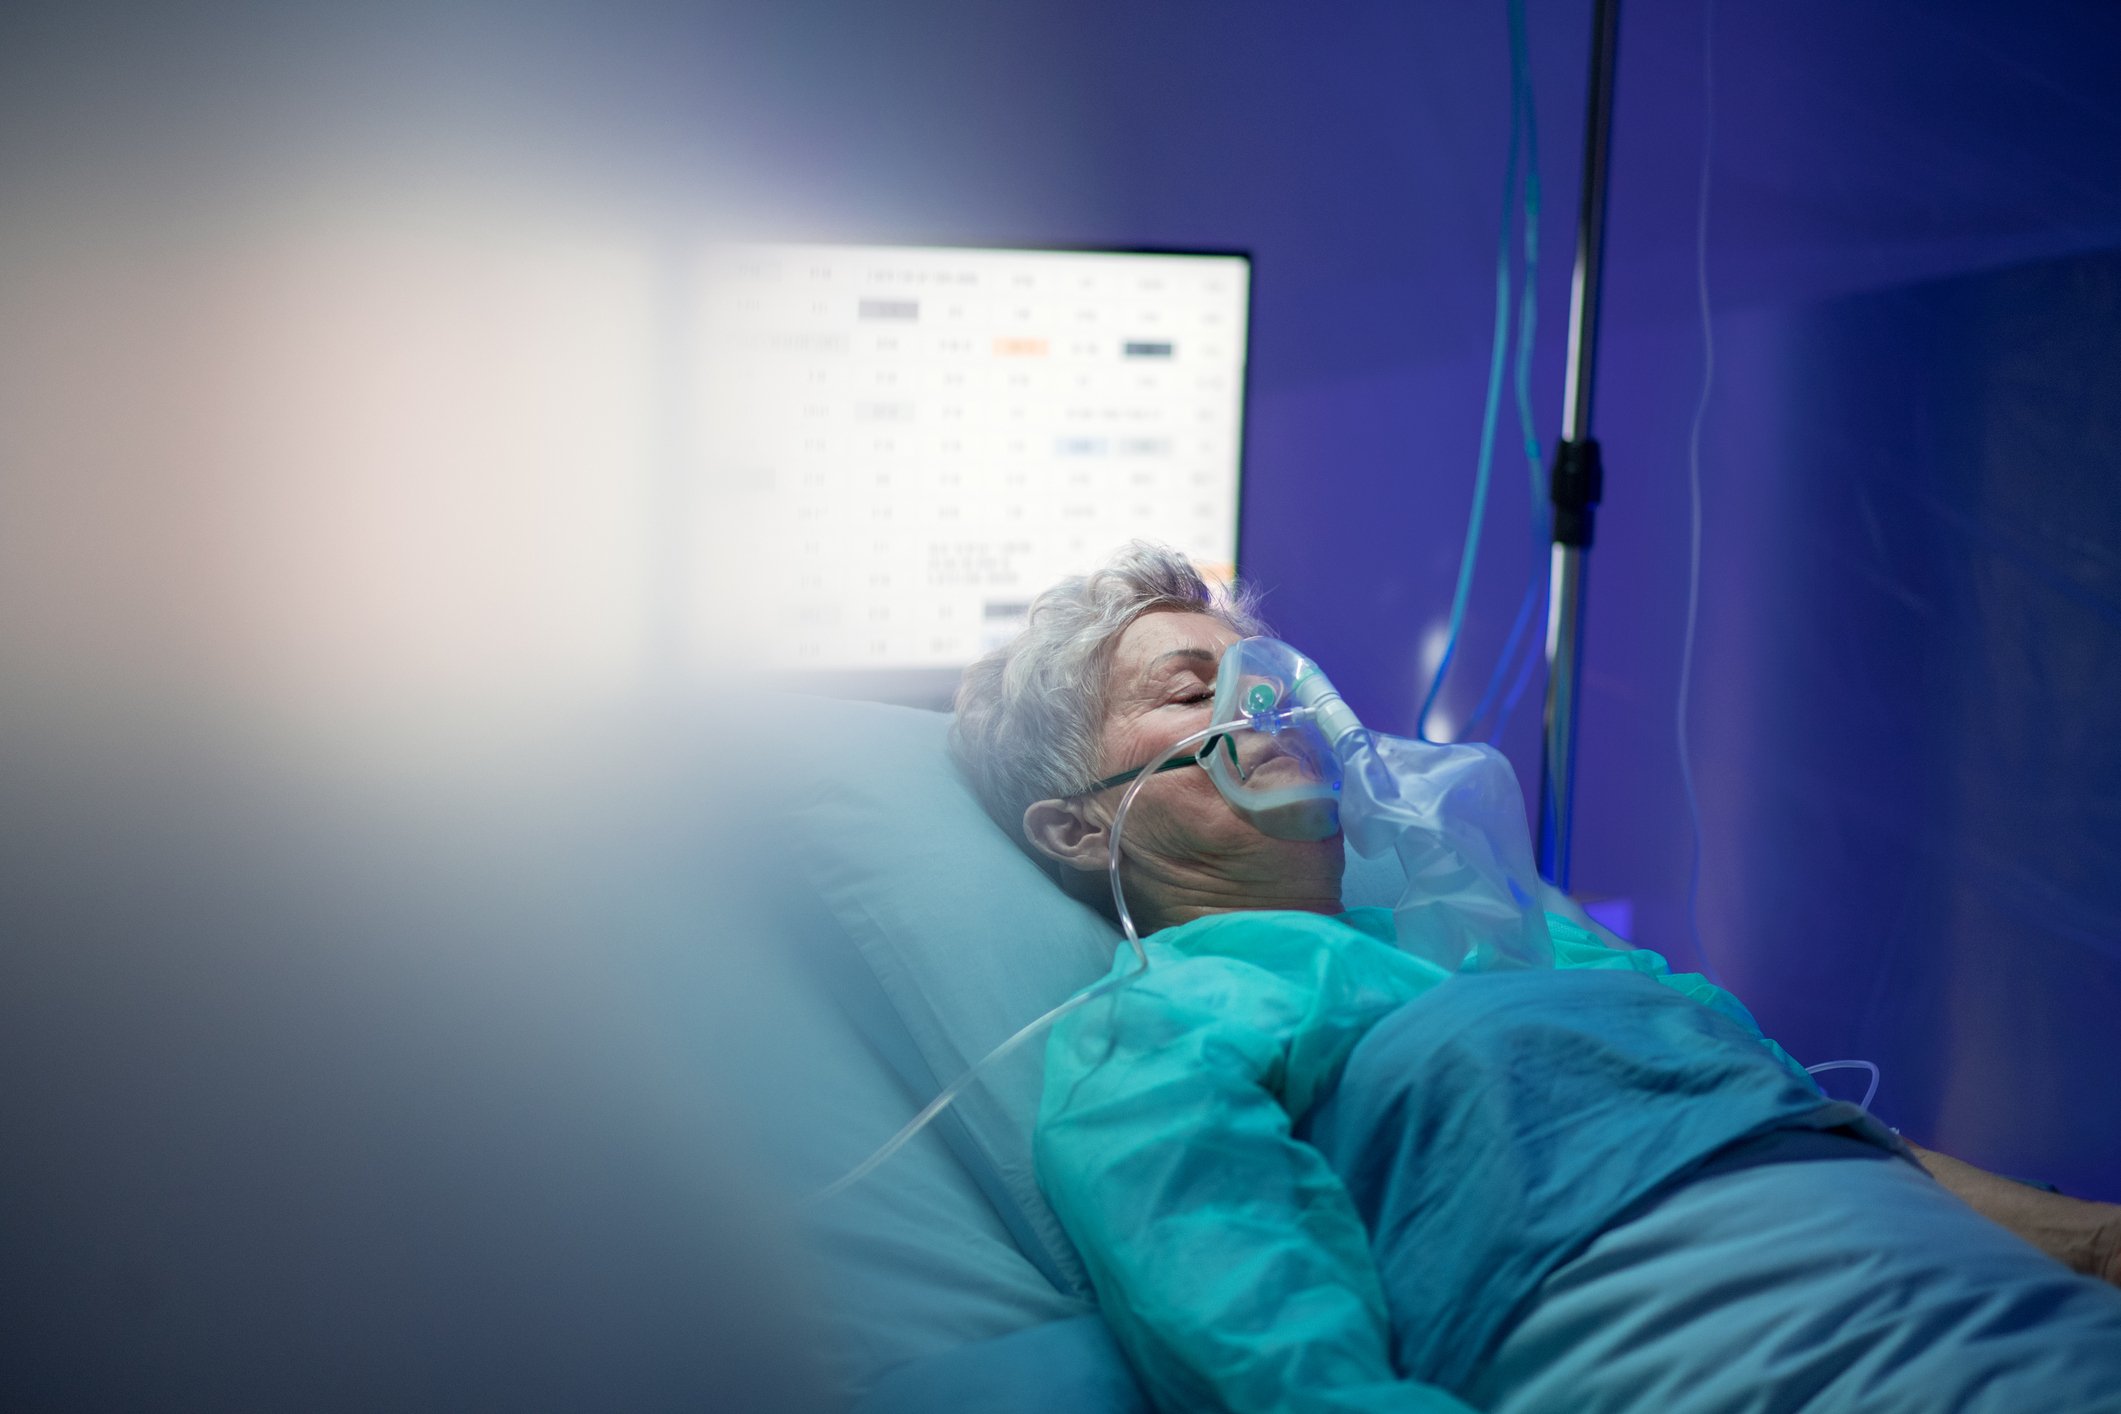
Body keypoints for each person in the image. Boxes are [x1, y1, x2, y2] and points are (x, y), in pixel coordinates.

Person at [949, 542, 2121, 1414]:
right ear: (1069, 829)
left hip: (1993, 1306)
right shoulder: (1162, 1023)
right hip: (1729, 1350)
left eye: (1265, 671)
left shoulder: (1527, 941)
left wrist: (2089, 1240)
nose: (1267, 705)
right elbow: (1270, 1359)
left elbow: (1799, 1122)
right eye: (1191, 691)